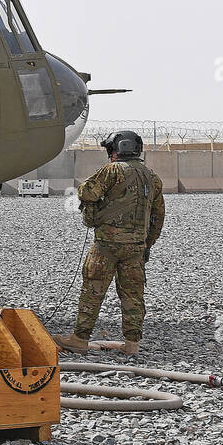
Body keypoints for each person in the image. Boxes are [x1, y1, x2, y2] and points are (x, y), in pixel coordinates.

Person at [53, 130, 165, 356]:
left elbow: (86, 192)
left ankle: (80, 339)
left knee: (93, 289)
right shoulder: (152, 177)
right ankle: (132, 344)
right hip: (136, 247)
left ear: (117, 150)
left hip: (106, 244)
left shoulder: (112, 171)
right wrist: (147, 244)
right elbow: (158, 216)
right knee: (133, 295)